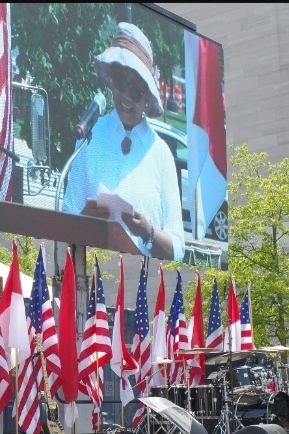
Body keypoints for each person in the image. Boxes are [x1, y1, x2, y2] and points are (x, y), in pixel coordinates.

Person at [62, 22, 185, 262]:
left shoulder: (160, 153)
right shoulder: (90, 136)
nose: (127, 96)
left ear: (148, 97)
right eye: (120, 82)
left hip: (140, 286)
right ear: (110, 82)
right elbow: (66, 218)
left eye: (136, 89)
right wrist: (85, 217)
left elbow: (178, 249)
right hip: (90, 276)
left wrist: (147, 232)